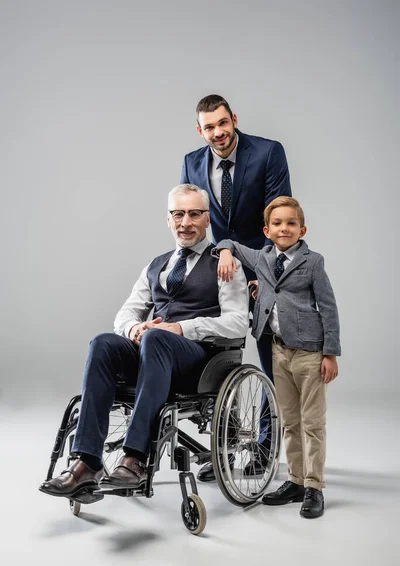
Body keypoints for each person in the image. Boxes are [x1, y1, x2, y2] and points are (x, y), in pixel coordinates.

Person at [39, 184, 249, 499]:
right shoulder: (157, 265)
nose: (185, 222)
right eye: (178, 214)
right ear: (168, 219)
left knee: (157, 339)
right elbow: (125, 314)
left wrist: (183, 329)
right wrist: (135, 329)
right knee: (103, 344)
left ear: (207, 220)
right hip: (153, 353)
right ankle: (87, 463)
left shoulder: (223, 262)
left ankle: (134, 458)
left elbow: (236, 322)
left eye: (194, 214)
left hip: (199, 361)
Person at [180, 94, 292, 481]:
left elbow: (277, 217)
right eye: (209, 127)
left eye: (222, 124)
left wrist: (259, 270)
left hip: (262, 274)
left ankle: (263, 449)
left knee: (271, 365)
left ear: (234, 120)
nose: (217, 133)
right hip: (218, 278)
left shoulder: (268, 153)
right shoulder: (191, 162)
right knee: (217, 362)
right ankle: (223, 450)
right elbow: (193, 222)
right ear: (200, 130)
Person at [215, 196, 341, 518]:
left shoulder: (313, 262)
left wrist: (330, 354)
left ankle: (314, 486)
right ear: (267, 230)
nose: (284, 228)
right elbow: (227, 240)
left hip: (310, 352)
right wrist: (227, 252)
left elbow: (328, 308)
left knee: (312, 422)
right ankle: (295, 481)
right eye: (277, 224)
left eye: (291, 223)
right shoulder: (262, 257)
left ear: (302, 229)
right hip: (278, 349)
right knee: (289, 421)